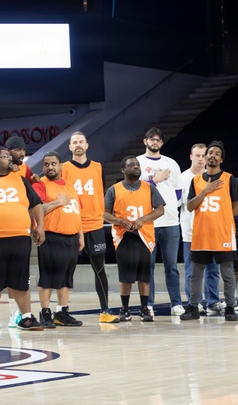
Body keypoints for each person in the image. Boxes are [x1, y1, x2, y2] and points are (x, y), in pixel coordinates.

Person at [0, 146, 46, 331]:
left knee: (21, 279)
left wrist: (39, 226)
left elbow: (36, 204)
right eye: (6, 157)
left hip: (20, 238)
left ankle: (26, 317)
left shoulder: (20, 180)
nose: (11, 160)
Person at [62, 131, 117, 323]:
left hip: (94, 225)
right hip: (72, 225)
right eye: (74, 142)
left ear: (87, 145)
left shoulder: (98, 167)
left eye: (81, 142)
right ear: (69, 147)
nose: (78, 145)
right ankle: (62, 311)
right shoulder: (64, 168)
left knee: (99, 269)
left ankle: (105, 311)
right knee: (66, 270)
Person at [180, 141, 238, 321]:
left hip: (222, 234)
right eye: (210, 153)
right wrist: (205, 191)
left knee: (227, 274)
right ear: (205, 157)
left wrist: (222, 217)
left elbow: (236, 207)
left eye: (216, 154)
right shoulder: (196, 181)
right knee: (195, 275)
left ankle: (230, 307)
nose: (212, 155)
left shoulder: (229, 179)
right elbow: (190, 206)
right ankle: (192, 308)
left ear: (221, 159)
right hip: (201, 234)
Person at [103, 156, 165, 322]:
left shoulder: (148, 187)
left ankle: (144, 309)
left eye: (137, 165)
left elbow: (160, 210)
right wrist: (120, 221)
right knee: (126, 276)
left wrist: (143, 220)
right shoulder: (114, 189)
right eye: (131, 165)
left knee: (144, 275)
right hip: (124, 236)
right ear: (123, 170)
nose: (136, 167)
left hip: (144, 236)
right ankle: (125, 309)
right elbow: (104, 213)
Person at [33, 151, 84, 328]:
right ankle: (45, 312)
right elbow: (37, 209)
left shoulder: (70, 186)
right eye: (46, 164)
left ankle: (62, 312)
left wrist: (80, 235)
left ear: (60, 166)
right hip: (51, 236)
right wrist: (58, 203)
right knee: (48, 277)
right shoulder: (40, 184)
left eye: (53, 164)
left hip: (71, 237)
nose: (50, 167)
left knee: (66, 278)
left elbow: (78, 211)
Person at [138, 127, 185, 315]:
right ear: (145, 141)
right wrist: (154, 180)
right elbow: (136, 189)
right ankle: (148, 303)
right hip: (149, 222)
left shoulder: (171, 163)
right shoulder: (138, 163)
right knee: (147, 265)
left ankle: (176, 303)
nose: (155, 142)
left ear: (162, 143)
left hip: (171, 222)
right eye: (152, 139)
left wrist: (172, 207)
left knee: (171, 266)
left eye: (158, 140)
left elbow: (179, 191)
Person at [179, 143, 221, 314]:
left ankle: (213, 302)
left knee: (213, 269)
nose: (201, 159)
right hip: (191, 231)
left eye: (204, 155)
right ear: (190, 157)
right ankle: (193, 303)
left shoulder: (214, 177)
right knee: (192, 270)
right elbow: (180, 203)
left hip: (211, 231)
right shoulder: (182, 178)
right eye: (197, 155)